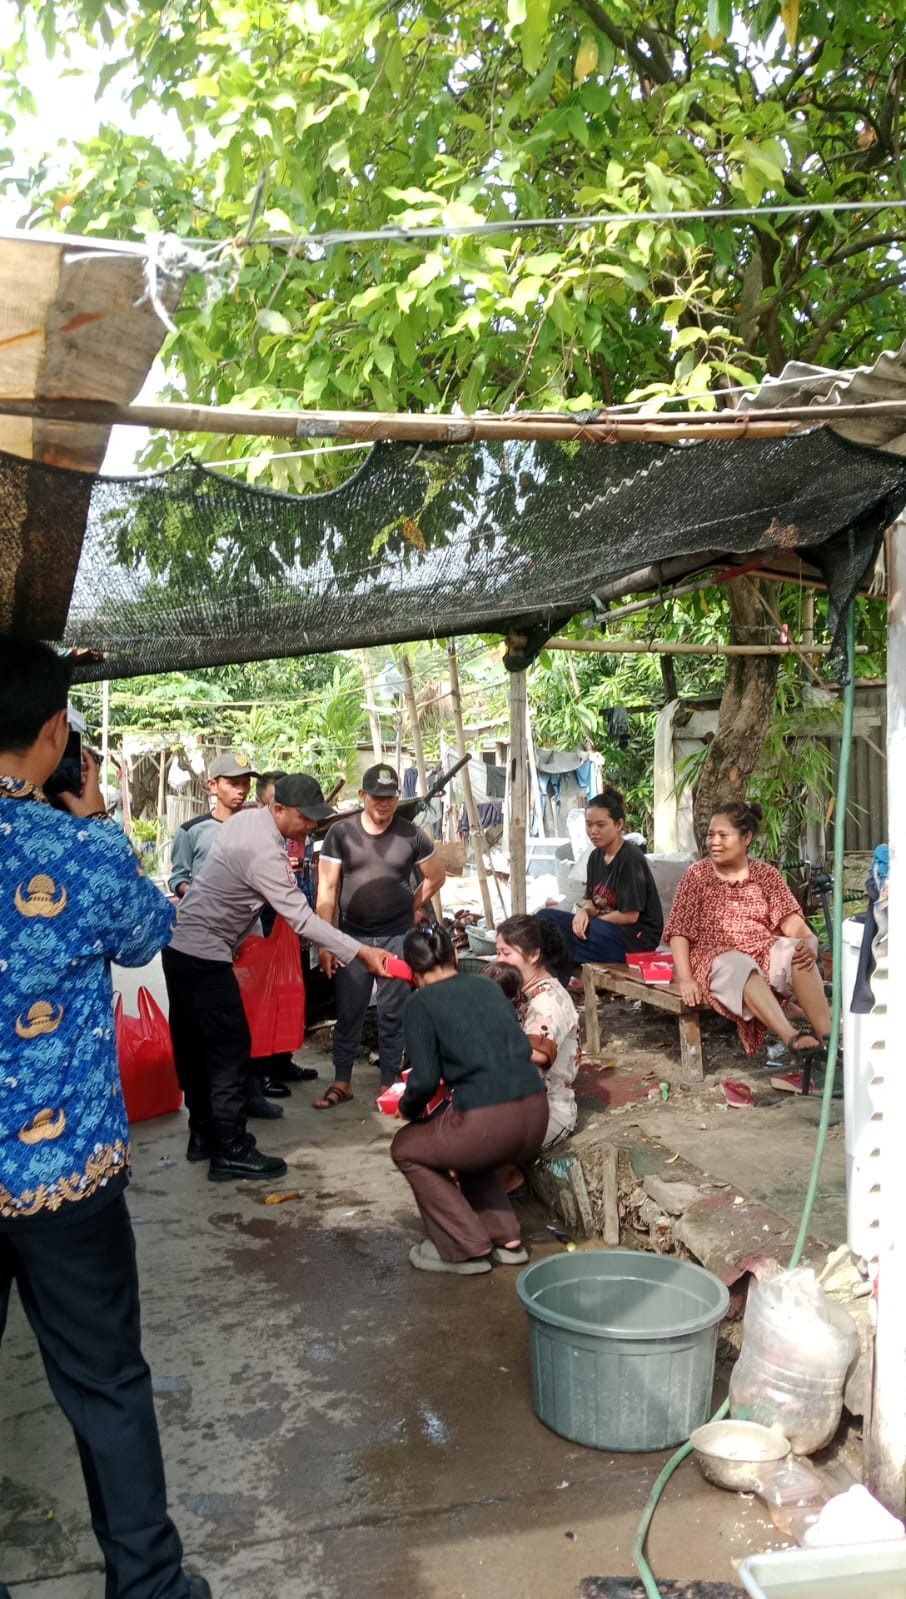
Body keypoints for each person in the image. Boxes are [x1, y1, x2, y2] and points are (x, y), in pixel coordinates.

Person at [0, 636, 210, 1599]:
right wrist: (93, 823)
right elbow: (146, 934)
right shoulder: (77, 849)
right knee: (107, 1383)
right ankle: (150, 1586)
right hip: (64, 1178)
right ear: (54, 731)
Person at [162, 774, 390, 1180]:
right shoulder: (264, 851)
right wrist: (361, 951)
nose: (310, 826)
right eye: (304, 818)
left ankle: (204, 1135)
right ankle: (231, 1149)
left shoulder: (247, 821)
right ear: (278, 809)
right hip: (203, 957)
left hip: (180, 950)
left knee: (195, 1047)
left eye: (315, 818)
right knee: (230, 1051)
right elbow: (302, 919)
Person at [390, 925, 548, 1276]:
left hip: (487, 1123)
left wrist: (406, 1109)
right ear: (455, 956)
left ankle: (464, 1246)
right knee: (462, 1144)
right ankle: (506, 1238)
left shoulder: (420, 1003)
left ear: (411, 971)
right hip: (537, 1114)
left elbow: (424, 1079)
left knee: (406, 1147)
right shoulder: (487, 986)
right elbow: (517, 1048)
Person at [313, 763, 446, 1109]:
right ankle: (342, 1081)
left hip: (397, 939)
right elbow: (327, 889)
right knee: (349, 1011)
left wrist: (411, 905)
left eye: (389, 797)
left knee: (393, 1013)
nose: (383, 804)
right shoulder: (341, 834)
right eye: (376, 797)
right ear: (362, 796)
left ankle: (389, 1083)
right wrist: (326, 941)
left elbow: (436, 876)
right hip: (352, 939)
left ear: (397, 797)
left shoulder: (412, 835)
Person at [665, 799, 832, 1057]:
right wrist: (686, 979)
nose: (714, 842)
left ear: (746, 838)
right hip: (713, 957)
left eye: (723, 835)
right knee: (742, 966)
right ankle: (791, 1037)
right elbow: (679, 932)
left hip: (761, 949)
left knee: (799, 954)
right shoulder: (697, 875)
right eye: (710, 835)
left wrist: (809, 940)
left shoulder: (766, 875)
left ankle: (829, 1040)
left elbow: (791, 922)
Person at [538, 787, 664, 972]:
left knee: (559, 936)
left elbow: (630, 915)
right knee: (545, 920)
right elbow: (589, 900)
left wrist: (592, 917)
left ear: (619, 825)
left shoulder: (630, 857)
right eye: (589, 825)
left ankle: (556, 979)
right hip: (604, 929)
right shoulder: (595, 857)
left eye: (600, 825)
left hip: (634, 940)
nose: (593, 831)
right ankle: (557, 979)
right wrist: (583, 911)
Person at [495, 915, 580, 1148]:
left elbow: (538, 1054)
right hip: (520, 1102)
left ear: (534, 955)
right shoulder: (526, 992)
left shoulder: (548, 1001)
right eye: (497, 952)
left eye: (506, 953)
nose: (499, 960)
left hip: (549, 1110)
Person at [168, 751, 256, 898]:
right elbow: (178, 878)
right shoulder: (190, 831)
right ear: (213, 786)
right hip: (207, 911)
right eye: (233, 783)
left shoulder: (258, 828)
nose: (241, 790)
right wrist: (198, 894)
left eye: (246, 783)